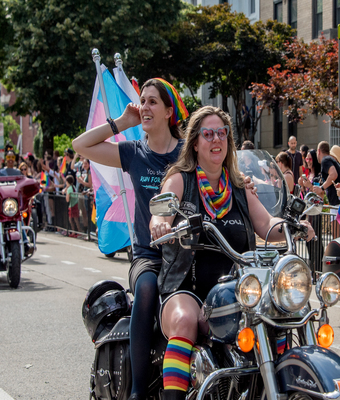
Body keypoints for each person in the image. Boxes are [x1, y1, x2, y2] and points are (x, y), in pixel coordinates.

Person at [150, 106, 314, 400]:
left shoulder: (239, 186)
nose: (216, 140)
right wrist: (161, 224)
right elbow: (160, 213)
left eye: (222, 133)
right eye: (208, 134)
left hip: (238, 288)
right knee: (186, 321)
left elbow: (266, 224)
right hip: (188, 288)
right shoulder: (180, 180)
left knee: (278, 314)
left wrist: (293, 226)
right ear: (196, 142)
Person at [73, 77, 189, 400]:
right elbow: (80, 146)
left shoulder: (186, 154)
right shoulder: (133, 152)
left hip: (186, 255)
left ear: (169, 111)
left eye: (153, 101)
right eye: (143, 100)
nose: (145, 106)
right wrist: (122, 122)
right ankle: (138, 390)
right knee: (148, 287)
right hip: (148, 257)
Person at [313, 141, 340, 239]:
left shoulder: (325, 160)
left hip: (337, 204)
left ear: (319, 151)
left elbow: (333, 174)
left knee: (336, 239)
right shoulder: (330, 160)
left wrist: (322, 187)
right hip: (336, 203)